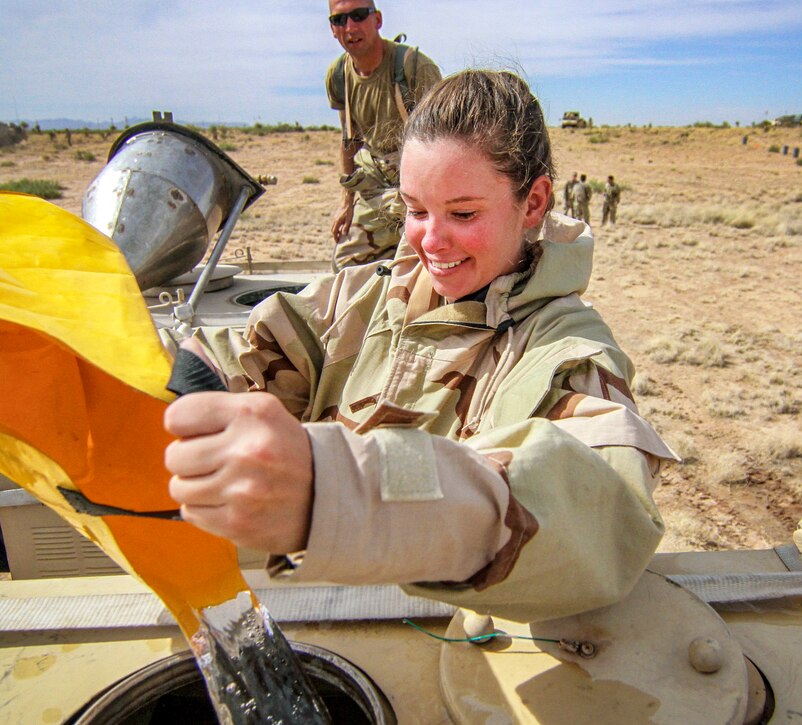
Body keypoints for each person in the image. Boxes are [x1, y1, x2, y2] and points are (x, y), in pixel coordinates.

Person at [164, 70, 674, 621]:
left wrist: (340, 495)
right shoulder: (366, 297)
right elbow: (236, 353)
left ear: (533, 203)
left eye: (462, 213)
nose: (431, 240)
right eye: (415, 209)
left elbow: (597, 516)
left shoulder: (566, 350)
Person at [325, 1, 442, 270]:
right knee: (345, 265)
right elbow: (349, 139)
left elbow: (445, 140)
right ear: (332, 29)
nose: (350, 27)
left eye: (358, 16)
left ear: (377, 20)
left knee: (423, 267)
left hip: (418, 183)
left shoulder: (413, 67)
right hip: (375, 183)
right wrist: (347, 202)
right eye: (340, 20)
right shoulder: (339, 75)